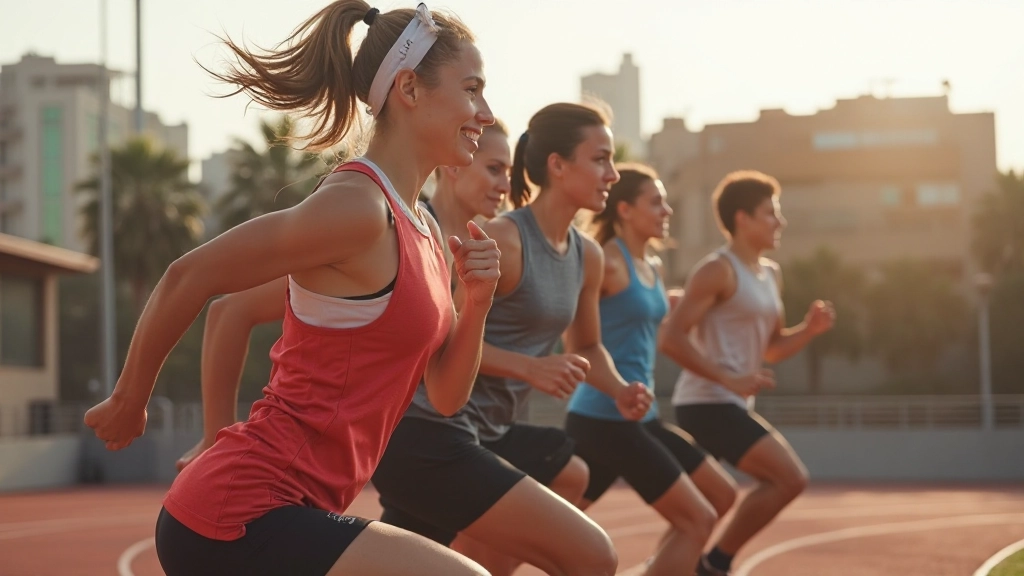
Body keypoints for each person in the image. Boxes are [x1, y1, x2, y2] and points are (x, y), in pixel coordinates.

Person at [84, 3, 502, 574]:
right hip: (241, 513)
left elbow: (447, 396)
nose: (486, 111)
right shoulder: (357, 207)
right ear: (409, 88)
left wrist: (475, 304)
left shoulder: (424, 228)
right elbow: (193, 275)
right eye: (473, 89)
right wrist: (131, 399)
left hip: (295, 510)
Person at [370, 102, 654, 576]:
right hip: (430, 426)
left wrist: (620, 388)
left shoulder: (587, 256)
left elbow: (585, 347)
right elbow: (441, 339)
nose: (612, 173)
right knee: (592, 552)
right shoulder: (502, 239)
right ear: (558, 166)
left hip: (486, 430)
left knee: (570, 474)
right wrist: (529, 367)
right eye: (601, 159)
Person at [175, 119, 513, 472]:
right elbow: (230, 309)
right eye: (494, 169)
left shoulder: (449, 245)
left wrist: (479, 304)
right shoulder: (382, 230)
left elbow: (445, 390)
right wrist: (215, 434)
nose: (505, 184)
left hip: (368, 457)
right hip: (333, 455)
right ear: (455, 165)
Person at [658, 170, 836, 575]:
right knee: (789, 478)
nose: (780, 222)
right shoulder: (716, 270)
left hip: (729, 400)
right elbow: (672, 339)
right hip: (705, 403)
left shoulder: (771, 273)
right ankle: (715, 564)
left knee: (696, 513)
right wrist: (727, 378)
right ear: (742, 219)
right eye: (770, 213)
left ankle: (677, 566)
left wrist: (808, 331)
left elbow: (770, 348)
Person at [564, 163, 737, 575]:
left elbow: (636, 321)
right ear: (624, 209)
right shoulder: (606, 260)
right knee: (697, 518)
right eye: (655, 202)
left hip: (640, 416)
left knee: (720, 494)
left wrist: (671, 305)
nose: (667, 210)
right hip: (602, 416)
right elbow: (578, 331)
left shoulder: (653, 267)